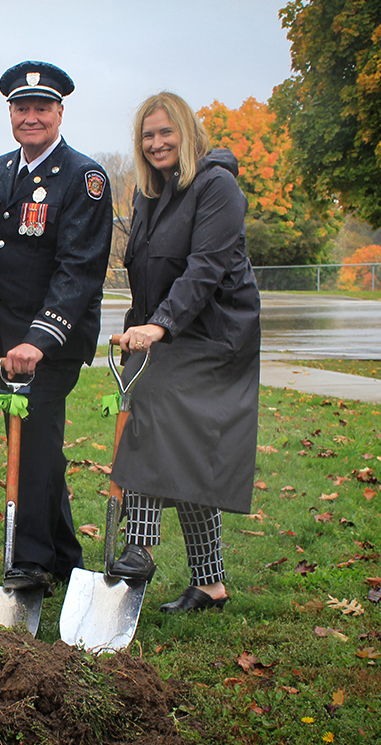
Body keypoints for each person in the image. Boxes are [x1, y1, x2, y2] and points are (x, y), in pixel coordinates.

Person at [110, 91, 261, 613]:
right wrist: (135, 329)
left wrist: (159, 327)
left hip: (215, 337)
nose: (156, 144)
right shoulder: (149, 195)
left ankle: (140, 546)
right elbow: (149, 279)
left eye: (165, 133)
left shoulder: (216, 187)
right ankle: (211, 584)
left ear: (187, 134)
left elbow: (204, 271)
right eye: (147, 136)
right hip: (169, 334)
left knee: (149, 408)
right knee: (190, 457)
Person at [0, 61, 113, 593]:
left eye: (42, 107)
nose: (31, 116)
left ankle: (31, 562)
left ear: (60, 112)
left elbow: (78, 271)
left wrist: (38, 340)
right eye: (22, 107)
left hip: (49, 340)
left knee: (34, 443)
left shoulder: (84, 178)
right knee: (36, 444)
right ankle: (64, 553)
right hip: (5, 337)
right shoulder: (0, 169)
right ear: (11, 113)